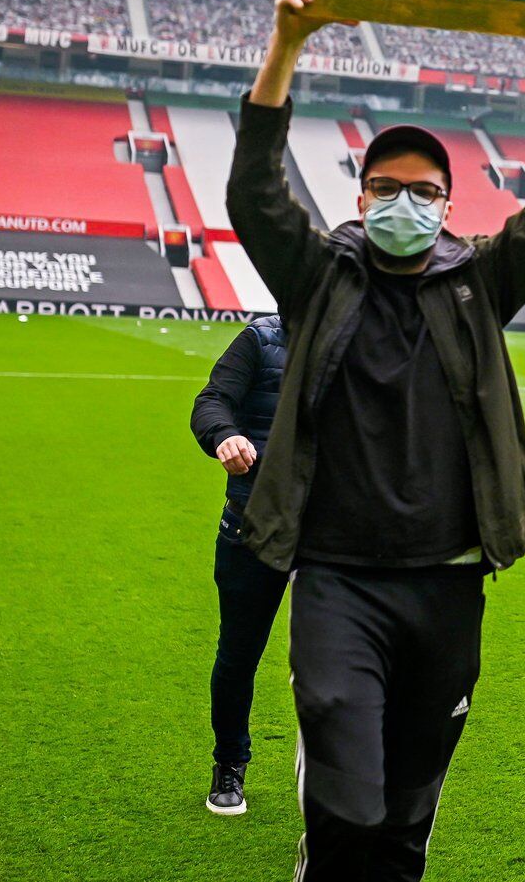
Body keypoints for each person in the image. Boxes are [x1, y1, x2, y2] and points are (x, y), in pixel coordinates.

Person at [227, 0, 525, 880]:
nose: (404, 200)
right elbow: (252, 192)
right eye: (386, 186)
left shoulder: (479, 283)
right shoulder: (320, 274)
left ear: (449, 204)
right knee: (349, 797)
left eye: (424, 190)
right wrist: (286, 45)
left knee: (407, 811)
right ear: (360, 195)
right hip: (336, 579)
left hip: (448, 584)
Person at [188, 314, 288, 816]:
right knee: (239, 654)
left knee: (335, 665)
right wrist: (223, 434)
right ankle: (229, 765)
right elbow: (211, 400)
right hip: (252, 527)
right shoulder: (259, 339)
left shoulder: (362, 340)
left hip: (331, 537)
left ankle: (340, 781)